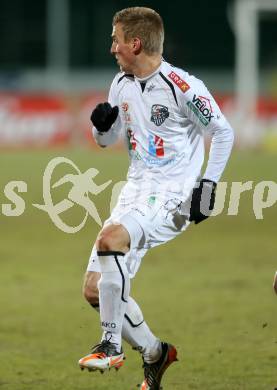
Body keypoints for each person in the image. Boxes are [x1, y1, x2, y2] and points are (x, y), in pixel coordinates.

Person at [78, 6, 234, 389]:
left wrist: (208, 185)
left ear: (135, 42)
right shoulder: (120, 84)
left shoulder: (184, 87)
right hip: (135, 190)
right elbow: (109, 140)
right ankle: (155, 353)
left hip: (173, 193)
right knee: (94, 290)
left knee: (110, 240)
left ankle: (111, 345)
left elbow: (223, 132)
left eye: (116, 40)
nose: (111, 47)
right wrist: (101, 130)